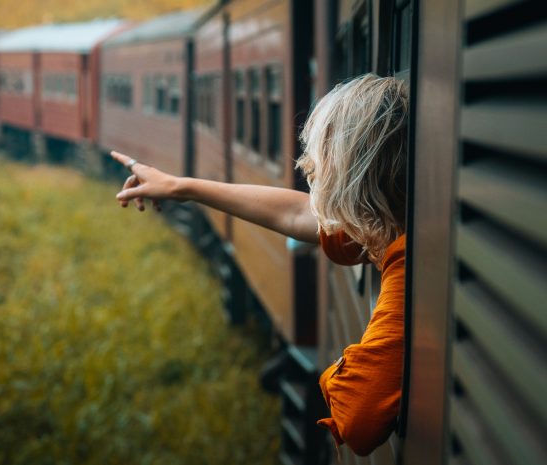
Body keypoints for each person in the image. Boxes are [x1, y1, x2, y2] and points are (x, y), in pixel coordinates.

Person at [109, 73, 408, 456]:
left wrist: (334, 373)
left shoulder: (403, 263)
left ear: (358, 173)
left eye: (325, 160)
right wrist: (181, 187)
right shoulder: (391, 224)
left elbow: (359, 420)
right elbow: (300, 214)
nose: (310, 171)